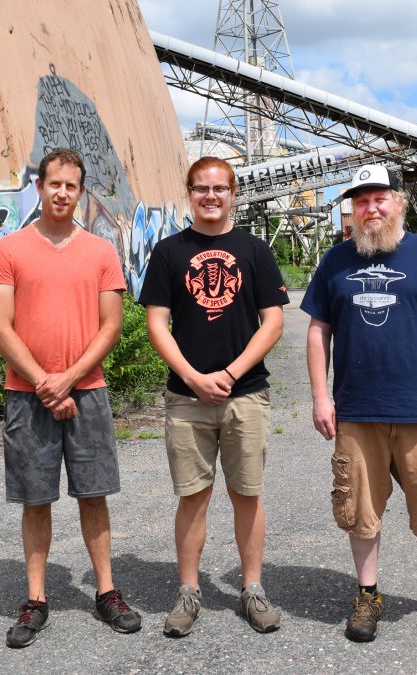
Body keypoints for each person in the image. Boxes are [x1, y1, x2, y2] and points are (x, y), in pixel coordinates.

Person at [302, 164, 417, 642]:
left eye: (380, 198)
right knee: (358, 506)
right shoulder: (336, 261)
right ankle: (367, 595)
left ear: (398, 203)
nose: (372, 208)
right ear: (353, 210)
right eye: (362, 201)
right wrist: (321, 396)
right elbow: (318, 330)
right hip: (356, 410)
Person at [0, 147, 141, 648]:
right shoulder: (8, 249)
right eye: (54, 184)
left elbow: (110, 327)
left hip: (87, 392)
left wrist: (66, 379)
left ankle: (107, 591)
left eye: (72, 185)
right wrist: (46, 386)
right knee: (36, 498)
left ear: (81, 191)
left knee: (93, 494)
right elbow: (0, 329)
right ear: (40, 186)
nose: (63, 193)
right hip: (26, 398)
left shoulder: (100, 251)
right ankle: (36, 599)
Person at [140, 156, 289, 637]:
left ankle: (252, 588)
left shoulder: (255, 250)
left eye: (220, 188)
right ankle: (189, 591)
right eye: (202, 188)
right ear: (190, 192)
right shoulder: (167, 253)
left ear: (233, 193)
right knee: (192, 498)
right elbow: (156, 325)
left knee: (247, 494)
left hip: (245, 395)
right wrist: (192, 376)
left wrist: (228, 372)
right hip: (186, 398)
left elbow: (273, 322)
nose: (211, 196)